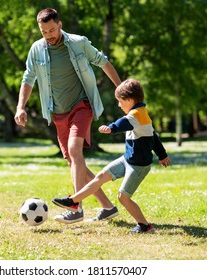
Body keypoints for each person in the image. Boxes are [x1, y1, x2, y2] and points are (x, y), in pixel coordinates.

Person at [14, 8, 122, 224]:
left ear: (60, 25)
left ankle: (75, 206)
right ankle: (108, 207)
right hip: (57, 111)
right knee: (74, 161)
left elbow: (103, 61)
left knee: (75, 151)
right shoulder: (36, 49)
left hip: (81, 105)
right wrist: (20, 106)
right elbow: (28, 78)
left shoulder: (78, 43)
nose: (49, 35)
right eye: (44, 32)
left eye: (52, 30)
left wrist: (121, 91)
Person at [52, 79, 171, 233]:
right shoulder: (141, 114)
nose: (119, 105)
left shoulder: (136, 115)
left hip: (138, 166)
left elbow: (124, 123)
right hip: (127, 160)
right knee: (100, 176)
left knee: (123, 197)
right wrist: (162, 155)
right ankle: (74, 202)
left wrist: (111, 128)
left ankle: (144, 225)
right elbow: (153, 137)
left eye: (120, 101)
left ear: (129, 100)